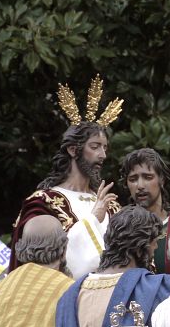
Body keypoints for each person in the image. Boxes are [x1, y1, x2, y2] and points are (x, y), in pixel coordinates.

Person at [11, 77, 123, 279]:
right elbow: (40, 263)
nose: (103, 155)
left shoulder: (112, 205)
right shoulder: (43, 202)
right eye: (95, 146)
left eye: (105, 148)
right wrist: (93, 219)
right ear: (73, 150)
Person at [121, 148, 170, 276]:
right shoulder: (120, 230)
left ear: (162, 180)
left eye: (148, 177)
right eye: (133, 179)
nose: (140, 185)